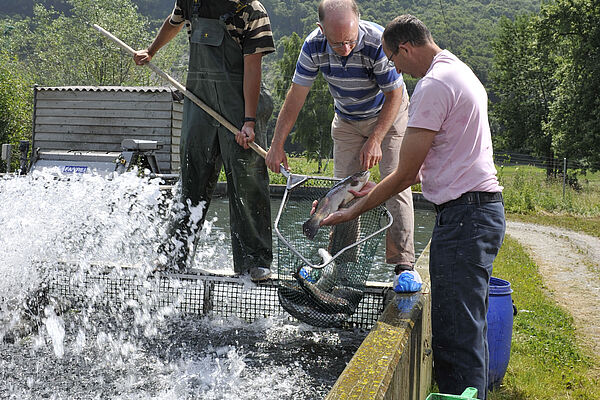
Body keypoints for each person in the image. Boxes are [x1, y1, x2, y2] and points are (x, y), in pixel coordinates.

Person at [320, 14, 506, 399]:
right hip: (479, 213)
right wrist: (372, 187)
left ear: (404, 48)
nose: (395, 70)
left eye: (393, 60)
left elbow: (404, 174)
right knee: (470, 327)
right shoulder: (459, 71)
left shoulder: (433, 86)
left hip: (464, 219)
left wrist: (353, 210)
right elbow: (434, 164)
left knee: (455, 335)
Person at [264, 0, 416, 282]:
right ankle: (342, 266)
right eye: (337, 43)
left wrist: (376, 139)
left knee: (396, 184)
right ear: (321, 29)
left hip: (389, 115)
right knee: (342, 192)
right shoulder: (312, 46)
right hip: (346, 119)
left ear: (358, 23)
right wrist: (277, 144)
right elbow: (296, 96)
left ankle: (403, 267)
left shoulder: (376, 42)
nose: (345, 49)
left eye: (349, 41)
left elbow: (394, 96)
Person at [133, 0, 275, 282]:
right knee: (192, 176)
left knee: (247, 182)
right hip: (200, 102)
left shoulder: (251, 10)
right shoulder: (190, 0)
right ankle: (174, 255)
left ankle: (255, 262)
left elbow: (252, 67)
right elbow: (173, 23)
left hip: (241, 102)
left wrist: (248, 121)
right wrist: (151, 51)